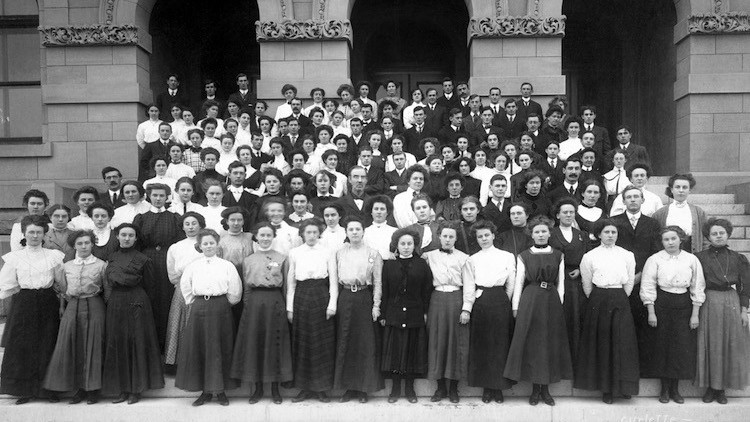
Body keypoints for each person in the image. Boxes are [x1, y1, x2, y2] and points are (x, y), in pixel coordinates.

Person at [505, 216, 571, 406]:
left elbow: (561, 283)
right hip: (531, 299)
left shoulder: (558, 254)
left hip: (550, 300)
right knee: (534, 344)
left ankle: (546, 389)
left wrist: (559, 303)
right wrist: (516, 307)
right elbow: (518, 282)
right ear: (531, 235)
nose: (541, 235)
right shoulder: (524, 255)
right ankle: (535, 389)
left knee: (548, 343)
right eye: (537, 232)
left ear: (550, 233)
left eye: (544, 231)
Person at [0, 215, 65, 404]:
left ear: (44, 234)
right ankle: (24, 390)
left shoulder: (54, 256)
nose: (35, 236)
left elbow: (60, 283)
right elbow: (7, 284)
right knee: (24, 345)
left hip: (47, 300)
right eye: (31, 232)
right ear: (24, 234)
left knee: (48, 343)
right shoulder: (15, 258)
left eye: (39, 232)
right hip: (25, 301)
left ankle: (48, 390)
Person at [576, 219, 640, 404]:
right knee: (603, 343)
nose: (610, 235)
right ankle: (607, 390)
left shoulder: (627, 255)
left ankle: (623, 387)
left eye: (613, 232)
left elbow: (628, 282)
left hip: (620, 298)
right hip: (598, 299)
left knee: (622, 343)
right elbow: (587, 283)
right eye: (606, 232)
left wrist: (621, 296)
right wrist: (598, 297)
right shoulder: (590, 256)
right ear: (599, 235)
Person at [175, 229, 241, 406]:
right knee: (201, 347)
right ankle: (204, 391)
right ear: (200, 246)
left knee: (221, 347)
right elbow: (185, 285)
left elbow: (235, 290)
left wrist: (223, 303)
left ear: (217, 244)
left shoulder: (227, 265)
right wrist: (194, 303)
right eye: (205, 243)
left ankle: (220, 391)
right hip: (199, 307)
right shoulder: (194, 265)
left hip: (221, 307)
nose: (209, 246)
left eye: (212, 242)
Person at [640, 226, 705, 404]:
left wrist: (695, 314)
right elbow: (647, 285)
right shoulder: (655, 259)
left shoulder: (691, 259)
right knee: (662, 346)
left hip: (684, 304)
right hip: (662, 303)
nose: (670, 242)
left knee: (679, 346)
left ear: (680, 239)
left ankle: (675, 390)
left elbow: (697, 286)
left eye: (673, 239)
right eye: (666, 239)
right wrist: (651, 312)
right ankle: (664, 389)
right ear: (662, 242)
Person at [102, 223, 164, 404]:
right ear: (118, 237)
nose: (127, 238)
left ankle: (135, 390)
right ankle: (122, 389)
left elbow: (151, 287)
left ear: (136, 238)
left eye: (131, 235)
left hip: (137, 301)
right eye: (123, 235)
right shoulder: (111, 257)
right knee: (118, 342)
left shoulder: (143, 259)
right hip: (116, 302)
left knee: (135, 343)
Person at [231, 222, 292, 404]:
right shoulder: (248, 260)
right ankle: (257, 388)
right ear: (256, 238)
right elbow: (247, 289)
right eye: (262, 235)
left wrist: (284, 306)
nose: (265, 239)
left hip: (275, 303)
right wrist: (249, 307)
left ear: (273, 237)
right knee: (255, 344)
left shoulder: (282, 258)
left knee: (274, 343)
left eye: (268, 235)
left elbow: (286, 287)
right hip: (255, 306)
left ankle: (275, 388)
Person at [43, 230, 107, 404]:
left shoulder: (101, 265)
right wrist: (63, 307)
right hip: (72, 306)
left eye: (87, 243)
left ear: (92, 244)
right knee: (72, 345)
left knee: (93, 346)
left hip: (94, 305)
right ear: (74, 246)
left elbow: (106, 290)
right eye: (80, 243)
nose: (84, 246)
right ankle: (79, 389)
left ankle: (93, 389)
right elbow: (63, 290)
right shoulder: (67, 265)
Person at [695, 218, 750, 404]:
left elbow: (745, 286)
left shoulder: (738, 258)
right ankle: (711, 387)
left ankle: (722, 389)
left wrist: (744, 310)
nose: (718, 236)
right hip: (709, 300)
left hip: (731, 301)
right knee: (711, 343)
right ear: (708, 237)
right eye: (714, 234)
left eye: (721, 233)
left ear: (728, 234)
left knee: (728, 343)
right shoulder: (700, 257)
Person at [461, 220, 516, 403]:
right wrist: (467, 309)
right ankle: (486, 387)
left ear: (493, 235)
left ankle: (498, 387)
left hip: (500, 300)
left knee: (500, 344)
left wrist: (504, 301)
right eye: (480, 236)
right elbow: (469, 285)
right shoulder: (472, 259)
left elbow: (511, 283)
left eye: (486, 235)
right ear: (476, 239)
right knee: (483, 345)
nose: (484, 239)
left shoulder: (507, 256)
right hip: (481, 301)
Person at [332, 218, 384, 403]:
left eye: (358, 229)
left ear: (363, 232)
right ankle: (348, 388)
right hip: (345, 297)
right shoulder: (339, 253)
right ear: (346, 232)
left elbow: (378, 282)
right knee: (345, 340)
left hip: (363, 298)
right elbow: (335, 281)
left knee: (364, 343)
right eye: (351, 229)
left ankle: (363, 388)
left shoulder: (373, 253)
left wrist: (376, 305)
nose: (354, 232)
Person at [286, 219, 338, 402]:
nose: (312, 236)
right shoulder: (294, 253)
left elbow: (333, 281)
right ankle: (305, 388)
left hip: (320, 295)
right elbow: (291, 283)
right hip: (301, 296)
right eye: (308, 232)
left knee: (321, 344)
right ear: (302, 234)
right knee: (303, 344)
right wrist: (290, 309)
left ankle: (321, 388)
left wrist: (332, 305)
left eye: (315, 232)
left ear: (319, 234)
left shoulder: (328, 252)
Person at [380, 228, 433, 403]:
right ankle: (395, 390)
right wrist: (383, 314)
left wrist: (425, 312)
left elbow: (426, 290)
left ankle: (410, 389)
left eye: (409, 243)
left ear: (414, 245)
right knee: (396, 352)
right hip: (394, 314)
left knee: (411, 351)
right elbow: (385, 291)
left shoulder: (422, 265)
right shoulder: (389, 265)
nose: (406, 247)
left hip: (414, 313)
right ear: (396, 245)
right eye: (402, 244)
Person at [132, 183, 185, 351]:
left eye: (162, 196)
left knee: (166, 298)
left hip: (167, 261)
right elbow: (137, 245)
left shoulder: (175, 217)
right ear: (149, 196)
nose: (158, 198)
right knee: (149, 298)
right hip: (146, 262)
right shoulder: (141, 218)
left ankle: (166, 344)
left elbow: (179, 243)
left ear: (167, 197)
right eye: (155, 195)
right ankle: (149, 344)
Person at [423, 221, 470, 403]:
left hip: (456, 300)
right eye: (445, 236)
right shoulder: (429, 256)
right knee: (438, 342)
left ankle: (454, 389)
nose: (448, 240)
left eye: (451, 236)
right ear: (439, 237)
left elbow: (469, 284)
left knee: (455, 343)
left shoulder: (464, 258)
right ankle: (440, 388)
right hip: (437, 300)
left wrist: (466, 308)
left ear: (456, 238)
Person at [549, 197, 589, 361]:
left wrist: (581, 269)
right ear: (558, 215)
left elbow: (588, 257)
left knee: (576, 316)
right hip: (557, 280)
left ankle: (575, 358)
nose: (568, 215)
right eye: (565, 212)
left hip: (577, 281)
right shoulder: (550, 234)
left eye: (571, 212)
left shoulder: (582, 235)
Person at [164, 211, 204, 368]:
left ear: (200, 225)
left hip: (203, 289)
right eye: (187, 224)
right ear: (182, 227)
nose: (191, 227)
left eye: (194, 223)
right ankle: (179, 362)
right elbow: (172, 273)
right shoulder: (176, 247)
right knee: (179, 324)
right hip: (182, 289)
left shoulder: (207, 244)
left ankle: (198, 362)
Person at [652, 173, 708, 253]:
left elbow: (706, 238)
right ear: (671, 189)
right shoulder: (660, 214)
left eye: (685, 187)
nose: (681, 190)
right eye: (677, 187)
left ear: (689, 190)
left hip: (691, 252)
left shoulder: (699, 212)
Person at [218, 207, 254, 324]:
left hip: (248, 277)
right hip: (229, 277)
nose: (236, 223)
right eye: (232, 220)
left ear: (243, 221)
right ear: (227, 221)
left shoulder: (250, 237)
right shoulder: (221, 240)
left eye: (239, 220)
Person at [363, 195, 398, 260]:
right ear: (371, 212)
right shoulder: (365, 232)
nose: (379, 212)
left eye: (382, 209)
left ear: (387, 212)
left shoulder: (395, 231)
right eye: (376, 209)